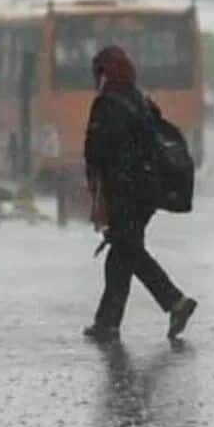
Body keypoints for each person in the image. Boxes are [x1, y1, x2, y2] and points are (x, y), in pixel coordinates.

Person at [82, 45, 197, 342]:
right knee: (121, 253)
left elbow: (95, 152)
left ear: (105, 73)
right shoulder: (140, 100)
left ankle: (175, 301)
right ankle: (107, 323)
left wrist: (95, 190)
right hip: (148, 191)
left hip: (123, 191)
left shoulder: (106, 104)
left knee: (129, 250)